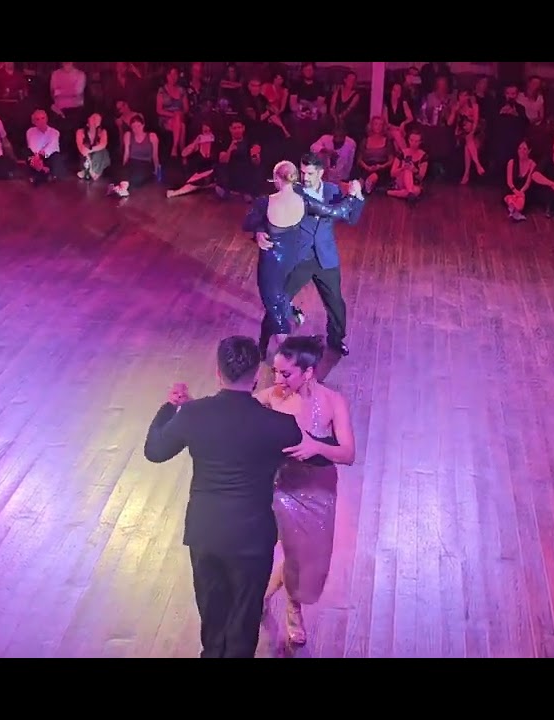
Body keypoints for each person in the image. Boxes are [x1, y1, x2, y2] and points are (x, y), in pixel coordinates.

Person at [142, 336, 305, 658]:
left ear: (218, 372)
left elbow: (155, 451)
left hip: (206, 531)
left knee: (212, 614)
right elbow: (313, 454)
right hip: (252, 537)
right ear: (258, 375)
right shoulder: (282, 426)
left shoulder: (193, 415)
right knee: (244, 619)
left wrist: (170, 408)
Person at [255, 336, 356, 646]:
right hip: (280, 486)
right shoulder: (270, 397)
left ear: (308, 372)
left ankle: (272, 597)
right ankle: (288, 607)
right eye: (275, 371)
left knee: (305, 556)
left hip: (317, 490)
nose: (278, 379)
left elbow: (348, 453)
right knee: (285, 551)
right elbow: (233, 414)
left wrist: (316, 446)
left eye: (286, 373)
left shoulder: (332, 401)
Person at [244, 161, 365, 357]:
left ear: (321, 172)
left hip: (326, 257)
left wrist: (357, 197)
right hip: (299, 258)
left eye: (310, 173)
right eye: (302, 173)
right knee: (278, 302)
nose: (305, 177)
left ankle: (336, 340)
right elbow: (266, 213)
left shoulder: (332, 191)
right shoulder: (294, 192)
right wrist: (259, 232)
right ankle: (263, 342)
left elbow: (350, 218)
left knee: (335, 304)